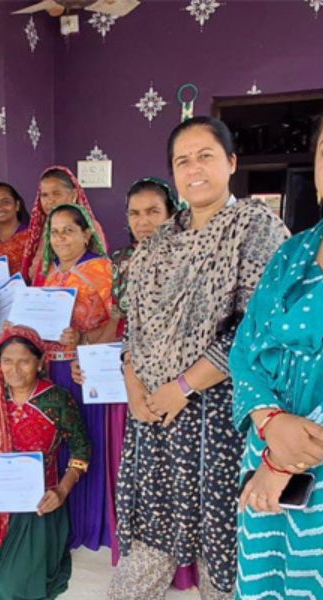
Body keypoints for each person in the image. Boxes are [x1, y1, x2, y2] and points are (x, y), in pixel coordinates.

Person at [108, 116, 289, 599]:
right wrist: (134, 388)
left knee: (221, 550)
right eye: (182, 160)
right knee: (147, 548)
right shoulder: (157, 243)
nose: (194, 169)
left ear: (231, 162)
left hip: (218, 421)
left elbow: (256, 330)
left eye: (205, 156)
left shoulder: (256, 228)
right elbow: (135, 327)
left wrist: (183, 386)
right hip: (154, 421)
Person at [231, 100, 323, 599]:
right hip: (266, 449)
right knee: (265, 581)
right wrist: (269, 422)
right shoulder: (292, 252)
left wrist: (283, 462)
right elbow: (246, 346)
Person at [0, 326, 91, 600]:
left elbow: (82, 449)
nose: (14, 370)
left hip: (36, 496)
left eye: (24, 361)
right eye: (7, 361)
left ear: (40, 362)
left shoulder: (56, 399)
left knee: (15, 587)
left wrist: (61, 491)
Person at [89, 177, 187, 572]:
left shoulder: (190, 253)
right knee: (143, 468)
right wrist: (93, 356)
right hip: (132, 367)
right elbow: (119, 317)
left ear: (172, 213)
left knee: (179, 470)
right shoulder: (121, 260)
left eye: (153, 212)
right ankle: (148, 556)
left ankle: (183, 559)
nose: (143, 222)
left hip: (181, 374)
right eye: (134, 213)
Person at [39, 203, 114, 552]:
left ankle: (93, 522)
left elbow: (120, 322)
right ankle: (63, 520)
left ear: (86, 234)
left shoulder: (101, 269)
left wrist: (84, 341)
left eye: (68, 230)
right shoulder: (49, 273)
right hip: (52, 371)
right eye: (54, 232)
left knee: (89, 440)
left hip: (86, 371)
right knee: (60, 443)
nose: (61, 238)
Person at [20, 166, 108, 286]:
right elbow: (34, 270)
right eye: (44, 195)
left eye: (56, 194)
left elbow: (99, 266)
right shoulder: (42, 228)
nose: (50, 200)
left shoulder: (89, 226)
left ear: (73, 195)